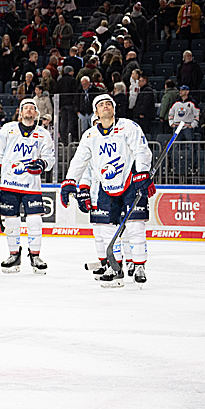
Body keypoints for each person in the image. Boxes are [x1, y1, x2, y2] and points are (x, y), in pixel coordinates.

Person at [61, 94, 153, 286]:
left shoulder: (128, 126)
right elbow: (79, 161)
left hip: (130, 182)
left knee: (136, 226)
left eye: (108, 104)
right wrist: (70, 181)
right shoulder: (89, 135)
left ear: (114, 108)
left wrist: (142, 172)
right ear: (95, 112)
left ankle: (139, 265)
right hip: (105, 186)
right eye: (101, 105)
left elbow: (141, 150)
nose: (105, 107)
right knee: (106, 230)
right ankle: (115, 267)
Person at [0, 98, 56, 275]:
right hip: (9, 184)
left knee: (35, 221)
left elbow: (50, 158)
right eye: (25, 108)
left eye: (32, 108)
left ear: (36, 113)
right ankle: (13, 254)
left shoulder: (43, 134)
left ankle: (35, 255)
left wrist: (42, 164)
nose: (29, 110)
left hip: (31, 185)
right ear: (19, 112)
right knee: (11, 221)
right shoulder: (7, 129)